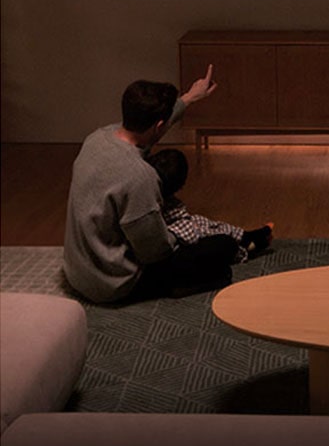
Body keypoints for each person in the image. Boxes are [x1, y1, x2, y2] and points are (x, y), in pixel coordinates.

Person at [63, 65, 243, 302]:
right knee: (223, 246)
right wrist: (181, 233)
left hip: (78, 271)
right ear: (158, 126)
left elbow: (151, 129)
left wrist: (189, 98)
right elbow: (155, 252)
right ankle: (174, 288)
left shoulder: (98, 138)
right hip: (111, 283)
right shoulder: (139, 176)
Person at [146, 147, 273, 264]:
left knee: (201, 222)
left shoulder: (162, 198)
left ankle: (245, 236)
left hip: (176, 234)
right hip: (169, 253)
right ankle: (246, 246)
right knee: (223, 242)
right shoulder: (153, 205)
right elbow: (188, 236)